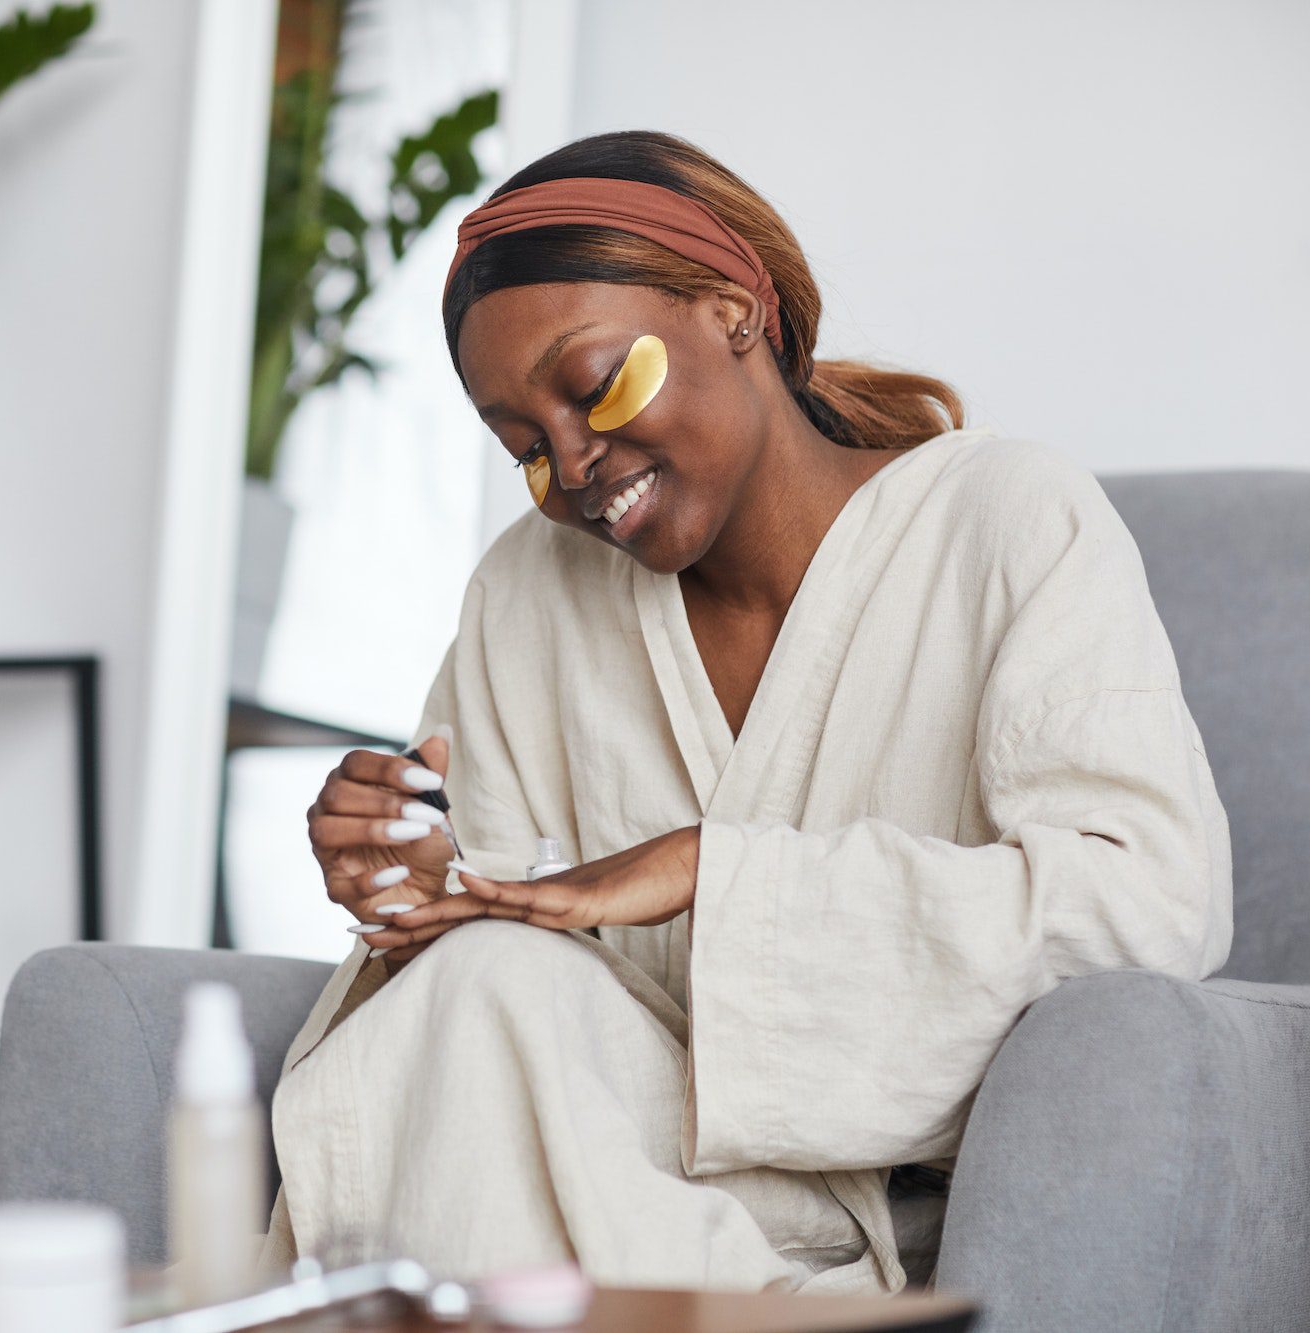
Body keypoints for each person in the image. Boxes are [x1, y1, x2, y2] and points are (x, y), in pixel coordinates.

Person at [260, 131, 1231, 1296]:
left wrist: (708, 872)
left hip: (865, 1218)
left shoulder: (1004, 521)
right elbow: (499, 999)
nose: (570, 466)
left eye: (593, 385)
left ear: (733, 310)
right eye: (523, 447)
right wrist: (417, 887)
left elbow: (1147, 906)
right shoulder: (528, 591)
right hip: (583, 1180)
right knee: (478, 988)